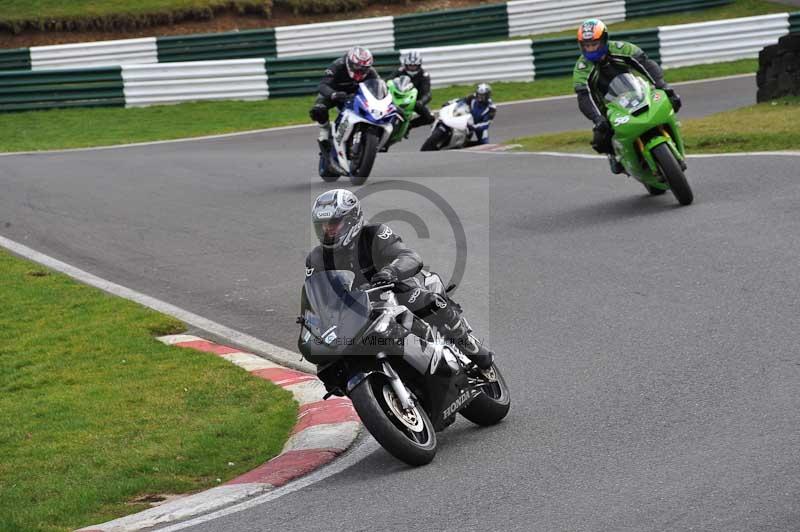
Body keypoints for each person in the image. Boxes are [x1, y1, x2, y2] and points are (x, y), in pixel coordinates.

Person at [300, 189, 493, 369]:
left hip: (393, 290)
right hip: (357, 311)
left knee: (427, 301)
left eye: (333, 224)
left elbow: (409, 256)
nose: (327, 231)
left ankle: (465, 341)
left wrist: (390, 272)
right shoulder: (316, 258)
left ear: (352, 219)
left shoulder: (374, 234)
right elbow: (313, 295)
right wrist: (310, 322)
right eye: (322, 226)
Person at [573, 18, 682, 174]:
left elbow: (646, 64)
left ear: (604, 40)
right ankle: (615, 156)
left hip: (635, 92)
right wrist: (598, 119)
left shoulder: (621, 49)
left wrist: (663, 86)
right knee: (600, 140)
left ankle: (673, 132)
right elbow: (583, 96)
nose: (590, 49)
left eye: (594, 44)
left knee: (673, 100)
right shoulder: (581, 68)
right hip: (607, 107)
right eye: (586, 46)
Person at [309, 46, 379, 157]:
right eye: (357, 66)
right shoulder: (337, 66)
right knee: (318, 109)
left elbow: (378, 87)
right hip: (334, 93)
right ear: (350, 62)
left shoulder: (371, 72)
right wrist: (333, 94)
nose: (360, 70)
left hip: (355, 96)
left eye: (364, 68)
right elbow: (323, 85)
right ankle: (324, 132)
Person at [388, 51, 434, 131]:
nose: (412, 68)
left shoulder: (424, 75)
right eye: (410, 66)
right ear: (406, 65)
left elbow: (427, 93)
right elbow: (388, 81)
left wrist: (421, 102)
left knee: (430, 118)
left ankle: (409, 126)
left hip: (414, 101)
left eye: (414, 66)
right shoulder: (400, 71)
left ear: (419, 65)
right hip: (397, 97)